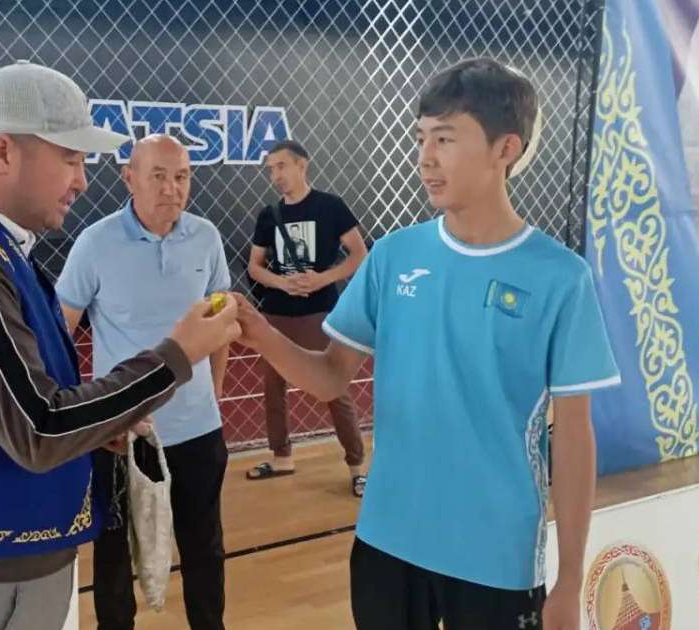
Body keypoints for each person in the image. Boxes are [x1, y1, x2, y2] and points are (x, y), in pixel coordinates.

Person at [234, 58, 620, 629]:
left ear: (505, 148)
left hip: (495, 557)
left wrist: (570, 577)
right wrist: (259, 331)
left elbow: (574, 438)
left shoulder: (561, 278)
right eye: (421, 138)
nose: (426, 158)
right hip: (388, 540)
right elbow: (330, 376)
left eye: (445, 138)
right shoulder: (394, 257)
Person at [0, 62, 239, 629]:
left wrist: (100, 425)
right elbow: (40, 428)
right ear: (2, 153)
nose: (82, 180)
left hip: (14, 564)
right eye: (70, 158)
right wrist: (176, 355)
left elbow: (34, 401)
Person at [57, 134, 231, 630]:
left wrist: (211, 396)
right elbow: (58, 333)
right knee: (113, 560)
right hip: (122, 437)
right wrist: (91, 415)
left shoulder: (206, 237)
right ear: (129, 177)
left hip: (197, 433)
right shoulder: (95, 243)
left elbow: (219, 321)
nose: (172, 189)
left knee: (205, 551)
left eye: (182, 177)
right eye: (158, 175)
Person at [245, 139, 369, 496]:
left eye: (282, 166)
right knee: (273, 386)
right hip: (277, 314)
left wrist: (321, 279)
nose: (276, 176)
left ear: (302, 165)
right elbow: (255, 267)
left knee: (334, 387)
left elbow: (359, 254)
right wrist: (282, 283)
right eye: (271, 169)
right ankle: (282, 457)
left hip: (319, 313)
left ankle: (357, 466)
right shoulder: (269, 215)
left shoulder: (330, 207)